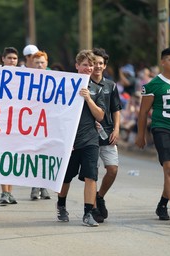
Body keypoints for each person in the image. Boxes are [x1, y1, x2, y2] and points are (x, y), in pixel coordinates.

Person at [135, 47, 170, 226]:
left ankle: (162, 204)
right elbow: (143, 112)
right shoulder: (153, 85)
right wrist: (141, 135)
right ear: (163, 62)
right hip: (162, 128)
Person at [56, 49, 105, 227]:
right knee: (66, 177)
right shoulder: (66, 86)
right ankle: (61, 205)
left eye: (91, 65)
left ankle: (88, 212)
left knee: (91, 176)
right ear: (77, 66)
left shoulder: (97, 89)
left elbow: (100, 116)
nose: (88, 68)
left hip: (90, 140)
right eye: (85, 65)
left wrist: (88, 99)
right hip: (70, 141)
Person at [90, 47, 122, 223]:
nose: (97, 66)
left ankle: (100, 196)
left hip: (108, 133)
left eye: (100, 63)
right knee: (92, 172)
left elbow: (116, 109)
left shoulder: (111, 85)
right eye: (94, 63)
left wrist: (117, 129)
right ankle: (93, 206)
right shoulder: (84, 84)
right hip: (89, 134)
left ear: (105, 65)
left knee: (112, 169)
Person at [27, 50, 51, 201]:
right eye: (37, 63)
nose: (40, 65)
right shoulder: (27, 79)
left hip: (48, 124)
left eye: (42, 62)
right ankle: (35, 185)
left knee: (47, 155)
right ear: (32, 64)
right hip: (31, 123)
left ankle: (44, 185)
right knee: (34, 155)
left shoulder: (54, 79)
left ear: (46, 63)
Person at [0, 47, 20, 205]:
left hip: (17, 125)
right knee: (2, 158)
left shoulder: (22, 77)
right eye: (9, 58)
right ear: (3, 60)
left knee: (12, 159)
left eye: (15, 59)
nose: (12, 61)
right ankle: (4, 192)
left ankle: (9, 191)